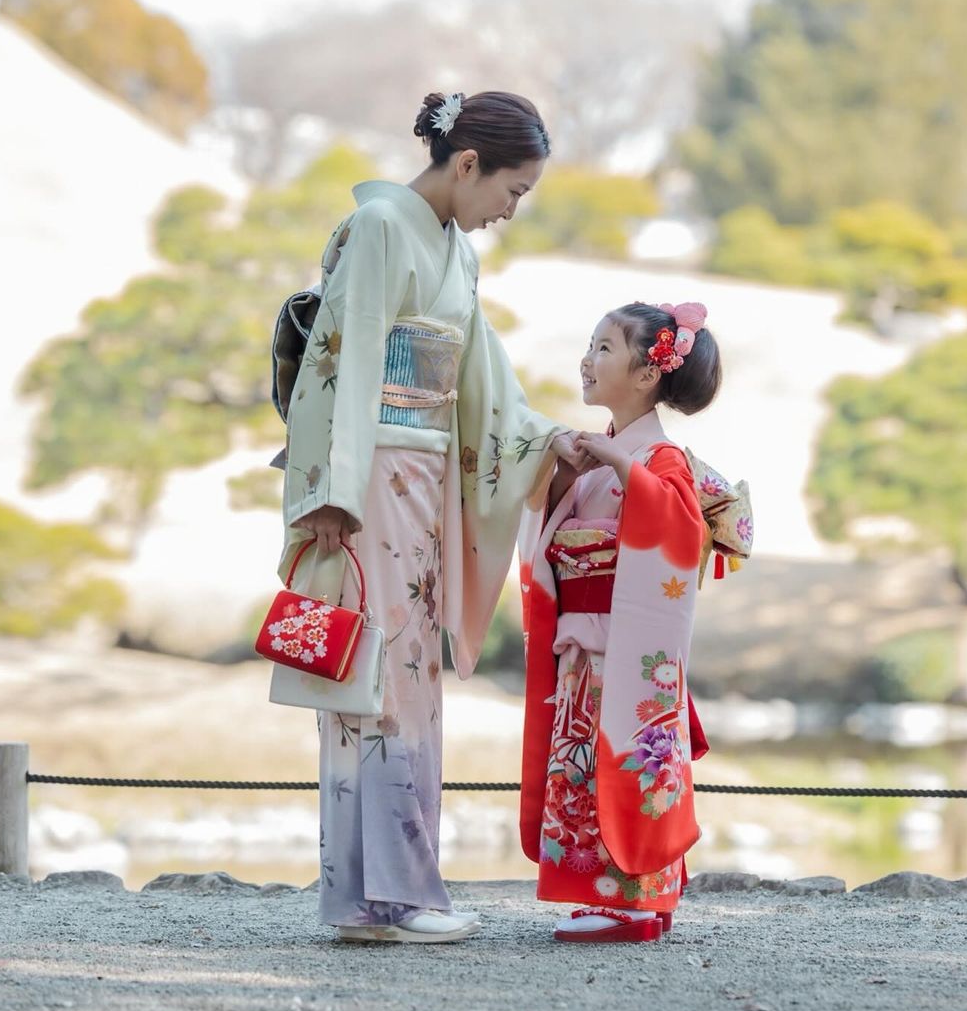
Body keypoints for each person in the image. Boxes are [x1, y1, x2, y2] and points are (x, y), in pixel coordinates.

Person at [278, 90, 577, 944]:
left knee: (409, 672)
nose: (509, 212)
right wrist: (333, 490)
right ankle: (389, 898)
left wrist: (547, 439)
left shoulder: (457, 255)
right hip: (369, 476)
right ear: (468, 163)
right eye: (511, 192)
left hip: (430, 472)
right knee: (377, 671)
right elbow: (348, 354)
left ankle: (381, 897)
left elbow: (485, 380)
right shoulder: (378, 228)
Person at [518, 300, 745, 943]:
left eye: (604, 349)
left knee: (625, 765)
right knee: (586, 768)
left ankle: (636, 903)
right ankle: (611, 897)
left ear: (647, 374)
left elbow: (678, 526)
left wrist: (622, 468)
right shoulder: (611, 450)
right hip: (584, 645)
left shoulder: (660, 458)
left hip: (625, 647)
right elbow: (550, 535)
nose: (587, 361)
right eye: (589, 346)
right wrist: (566, 471)